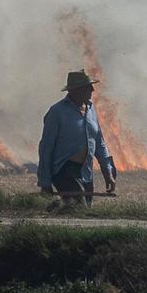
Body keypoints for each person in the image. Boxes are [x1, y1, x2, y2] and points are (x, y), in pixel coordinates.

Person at [37, 69, 117, 205]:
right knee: (79, 204)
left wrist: (108, 172)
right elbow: (46, 148)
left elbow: (99, 143)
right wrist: (45, 181)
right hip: (63, 169)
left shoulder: (91, 110)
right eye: (88, 87)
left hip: (85, 170)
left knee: (84, 208)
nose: (92, 90)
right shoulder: (57, 112)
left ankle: (57, 210)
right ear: (76, 90)